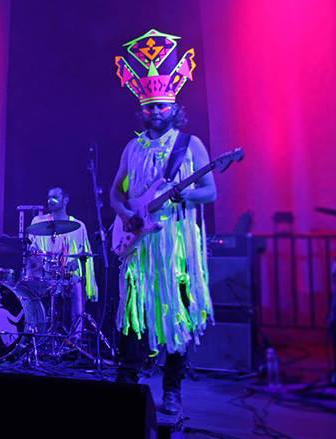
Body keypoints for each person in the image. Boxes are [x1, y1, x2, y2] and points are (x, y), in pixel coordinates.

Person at [110, 29, 216, 415]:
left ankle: (172, 389)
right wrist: (126, 215)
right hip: (138, 242)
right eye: (150, 107)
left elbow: (210, 191)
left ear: (173, 107)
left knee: (177, 313)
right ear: (142, 109)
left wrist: (185, 195)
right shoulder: (132, 147)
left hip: (175, 246)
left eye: (162, 106)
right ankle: (126, 381)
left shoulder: (190, 145)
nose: (156, 112)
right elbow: (116, 192)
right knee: (132, 311)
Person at [26, 187, 98, 336]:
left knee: (77, 284)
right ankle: (36, 331)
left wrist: (75, 262)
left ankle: (75, 336)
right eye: (48, 197)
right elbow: (31, 252)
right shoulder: (38, 222)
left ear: (65, 200)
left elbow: (84, 254)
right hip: (43, 275)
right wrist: (40, 265)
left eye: (54, 197)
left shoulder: (79, 226)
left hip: (66, 275)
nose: (50, 200)